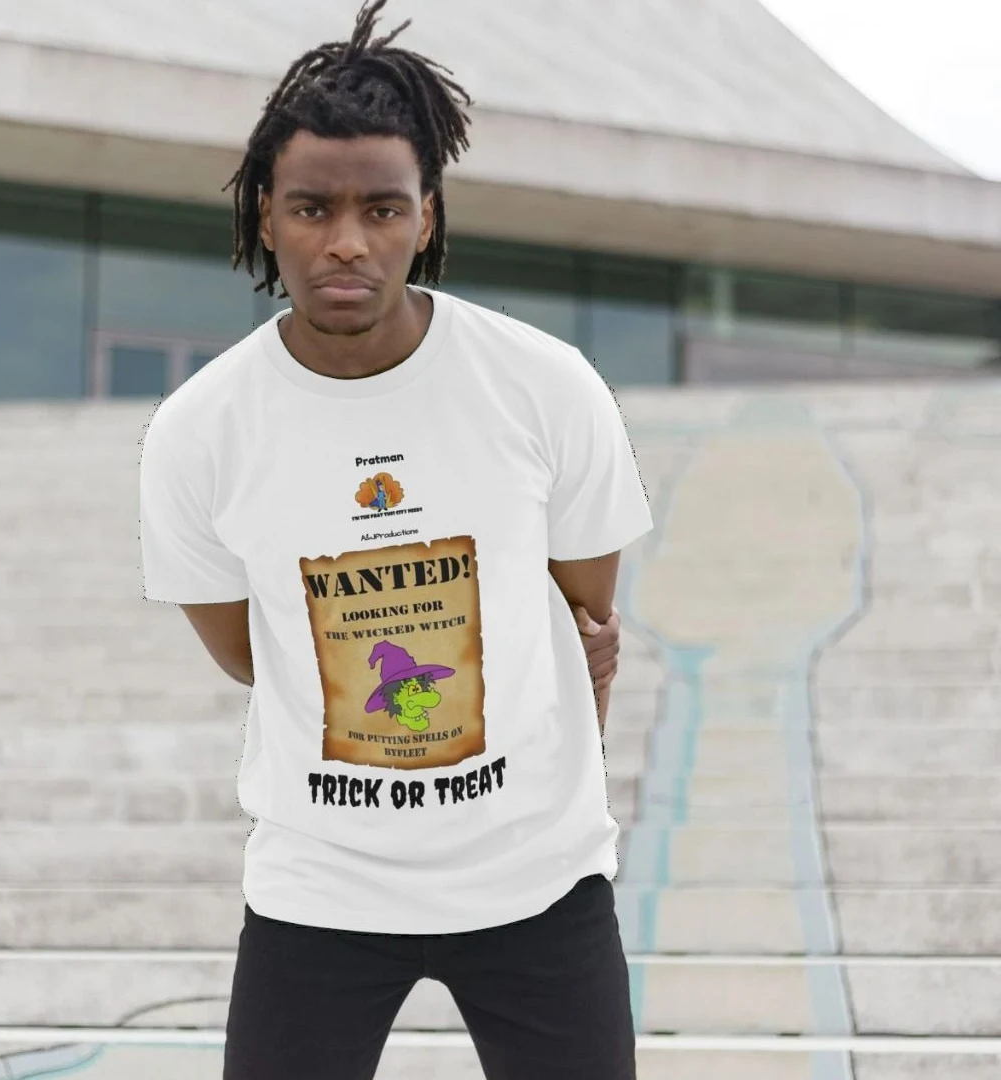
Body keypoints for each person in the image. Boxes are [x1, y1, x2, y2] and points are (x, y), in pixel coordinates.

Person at [138, 1, 652, 1076]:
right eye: (312, 208)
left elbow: (585, 616)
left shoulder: (544, 387)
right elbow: (250, 653)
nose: (346, 241)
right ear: (264, 217)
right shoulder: (200, 430)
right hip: (319, 888)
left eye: (382, 208)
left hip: (537, 882)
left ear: (426, 218)